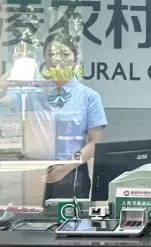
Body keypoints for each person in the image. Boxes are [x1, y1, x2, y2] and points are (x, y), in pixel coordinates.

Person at [16, 34, 107, 199]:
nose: (57, 59)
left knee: (72, 215)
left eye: (64, 54)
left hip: (73, 172)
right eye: (51, 54)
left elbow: (95, 142)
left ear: (75, 59)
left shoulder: (89, 96)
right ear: (44, 59)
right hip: (35, 171)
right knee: (32, 215)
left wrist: (67, 167)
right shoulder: (32, 92)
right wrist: (16, 65)